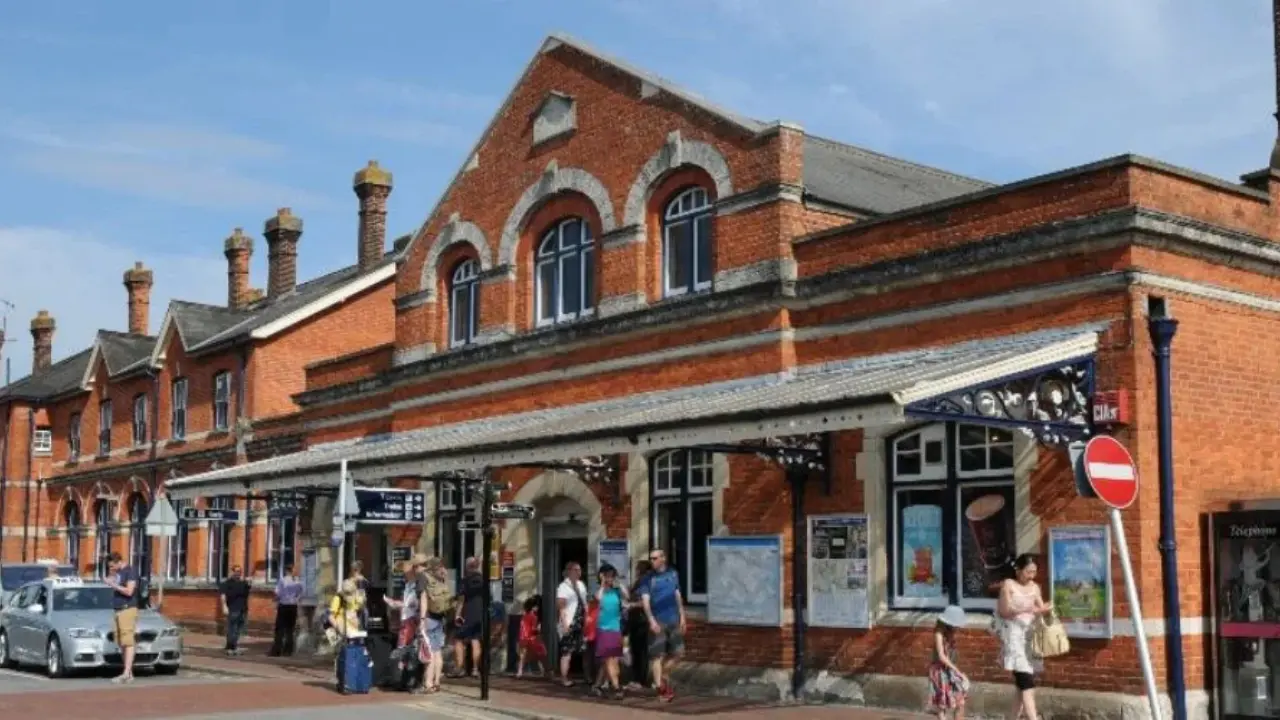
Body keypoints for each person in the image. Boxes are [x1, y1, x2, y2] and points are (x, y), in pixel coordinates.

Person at [998, 554, 1053, 720]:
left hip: (1030, 637)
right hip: (1014, 637)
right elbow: (1004, 611)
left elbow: (1041, 608)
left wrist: (1048, 609)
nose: (1031, 576)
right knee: (1027, 682)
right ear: (1018, 570)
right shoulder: (1008, 584)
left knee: (1021, 685)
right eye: (1028, 571)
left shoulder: (1035, 587)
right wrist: (1025, 610)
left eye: (1034, 572)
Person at [638, 549, 685, 703]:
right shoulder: (648, 579)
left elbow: (677, 595)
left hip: (673, 619)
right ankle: (660, 688)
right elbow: (645, 602)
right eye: (651, 558)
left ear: (663, 558)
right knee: (657, 655)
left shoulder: (672, 574)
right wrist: (651, 620)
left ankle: (663, 675)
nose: (652, 561)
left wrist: (682, 616)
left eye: (655, 558)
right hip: (658, 621)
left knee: (679, 653)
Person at [386, 553, 429, 693]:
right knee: (403, 650)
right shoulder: (408, 585)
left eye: (405, 572)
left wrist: (402, 606)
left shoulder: (418, 583)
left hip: (412, 622)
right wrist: (396, 604)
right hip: (405, 620)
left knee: (411, 651)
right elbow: (407, 603)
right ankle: (402, 679)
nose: (404, 575)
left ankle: (411, 680)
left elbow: (417, 604)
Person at [593, 563, 629, 699]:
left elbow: (627, 596)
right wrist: (603, 583)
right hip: (603, 628)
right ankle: (616, 687)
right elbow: (598, 598)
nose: (610, 578)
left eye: (612, 575)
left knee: (611, 658)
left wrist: (619, 583)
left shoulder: (616, 591)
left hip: (616, 628)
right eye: (607, 575)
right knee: (609, 659)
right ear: (602, 576)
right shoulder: (599, 590)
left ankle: (597, 685)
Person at [102, 552, 138, 684]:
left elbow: (129, 591)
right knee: (121, 641)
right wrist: (111, 577)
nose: (111, 568)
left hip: (127, 608)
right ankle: (128, 672)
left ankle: (126, 673)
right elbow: (112, 581)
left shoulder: (130, 571)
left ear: (119, 562)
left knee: (128, 641)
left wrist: (113, 585)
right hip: (117, 609)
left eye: (112, 566)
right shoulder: (118, 572)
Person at [929, 605, 969, 720]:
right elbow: (941, 656)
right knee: (942, 705)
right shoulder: (938, 633)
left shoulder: (952, 632)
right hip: (939, 671)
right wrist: (958, 671)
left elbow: (952, 655)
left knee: (960, 700)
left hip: (949, 669)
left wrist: (957, 673)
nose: (958, 627)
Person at [448, 557, 485, 679]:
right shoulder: (483, 580)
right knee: (475, 640)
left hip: (466, 613)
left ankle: (459, 668)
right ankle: (475, 669)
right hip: (479, 614)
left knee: (458, 639)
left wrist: (457, 614)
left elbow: (461, 599)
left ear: (467, 567)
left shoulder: (465, 581)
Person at [421, 557, 454, 693]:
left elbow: (424, 601)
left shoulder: (427, 581)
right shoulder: (444, 581)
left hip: (429, 619)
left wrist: (422, 619)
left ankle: (428, 683)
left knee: (429, 652)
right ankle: (437, 681)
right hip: (440, 620)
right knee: (437, 651)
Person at [555, 561, 589, 687]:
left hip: (582, 621)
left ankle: (588, 676)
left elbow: (585, 602)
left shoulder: (581, 585)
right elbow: (561, 607)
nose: (579, 572)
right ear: (569, 571)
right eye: (576, 569)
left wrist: (588, 618)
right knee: (567, 652)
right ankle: (564, 678)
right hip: (570, 621)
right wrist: (564, 624)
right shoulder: (563, 587)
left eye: (579, 570)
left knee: (585, 649)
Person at [625, 560, 652, 690]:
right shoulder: (638, 582)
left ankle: (640, 680)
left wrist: (632, 605)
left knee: (641, 651)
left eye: (638, 568)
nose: (636, 571)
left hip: (642, 621)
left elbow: (646, 602)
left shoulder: (647, 583)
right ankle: (636, 678)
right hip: (634, 620)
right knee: (635, 650)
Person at [270, 562, 303, 657]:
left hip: (283, 606)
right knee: (290, 629)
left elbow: (277, 594)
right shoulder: (298, 582)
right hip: (293, 606)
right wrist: (296, 599)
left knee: (280, 629)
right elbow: (301, 594)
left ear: (286, 571)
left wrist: (274, 601)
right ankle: (288, 650)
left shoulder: (282, 580)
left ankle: (276, 650)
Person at [220, 565, 252, 656]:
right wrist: (224, 606)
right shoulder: (227, 583)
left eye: (239, 572)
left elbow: (247, 594)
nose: (238, 573)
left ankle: (233, 646)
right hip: (233, 608)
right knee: (232, 628)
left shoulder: (243, 583)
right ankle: (230, 648)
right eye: (236, 571)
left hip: (243, 609)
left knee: (239, 629)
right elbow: (223, 596)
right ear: (232, 572)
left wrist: (249, 584)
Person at [516, 594, 547, 678]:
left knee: (523, 655)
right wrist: (539, 629)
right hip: (533, 638)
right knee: (541, 654)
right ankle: (544, 671)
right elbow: (534, 629)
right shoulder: (534, 617)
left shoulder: (525, 615)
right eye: (536, 606)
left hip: (523, 636)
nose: (537, 608)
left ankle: (519, 672)